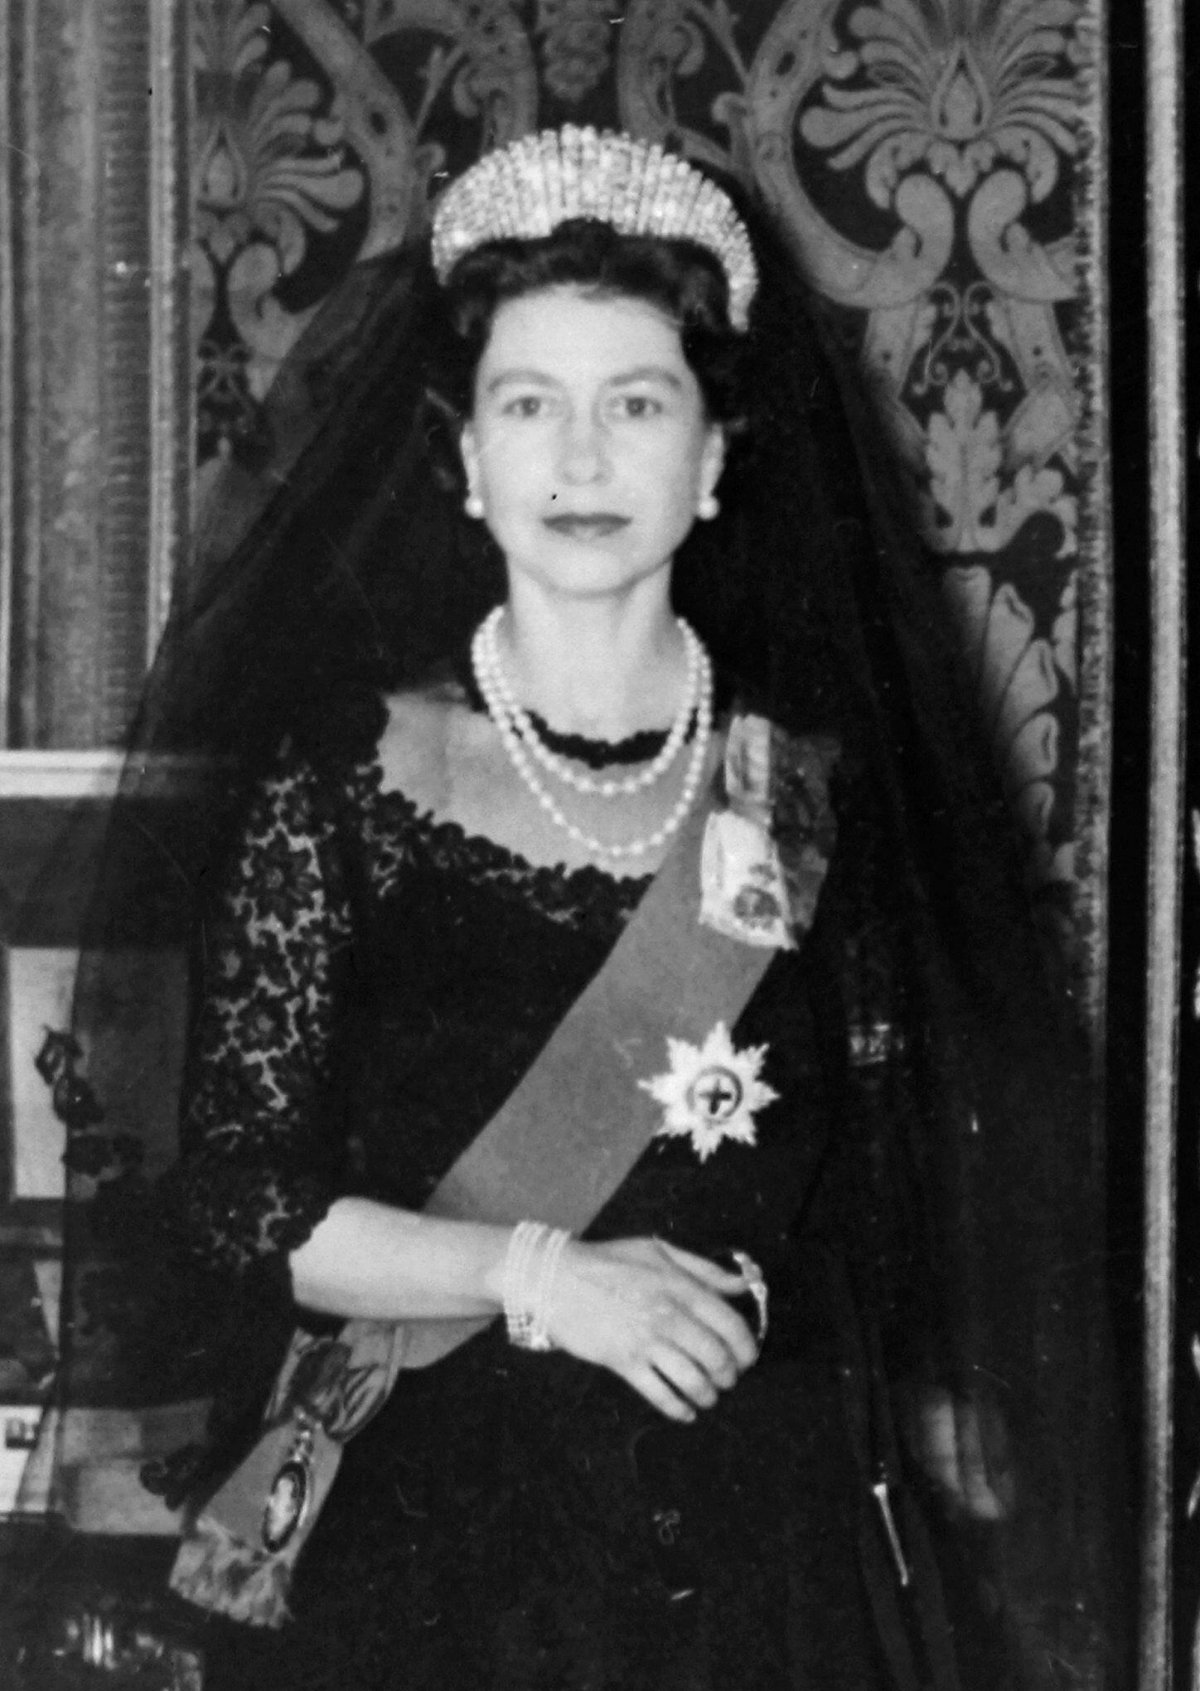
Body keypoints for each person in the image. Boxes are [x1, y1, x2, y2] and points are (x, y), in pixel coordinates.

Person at [61, 127, 1116, 1689]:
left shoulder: (810, 794)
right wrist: (540, 1278)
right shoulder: (346, 778)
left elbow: (892, 1193)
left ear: (713, 457)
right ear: (465, 460)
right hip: (438, 1541)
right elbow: (241, 1203)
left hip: (759, 1542)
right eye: (529, 405)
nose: (581, 459)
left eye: (636, 404)